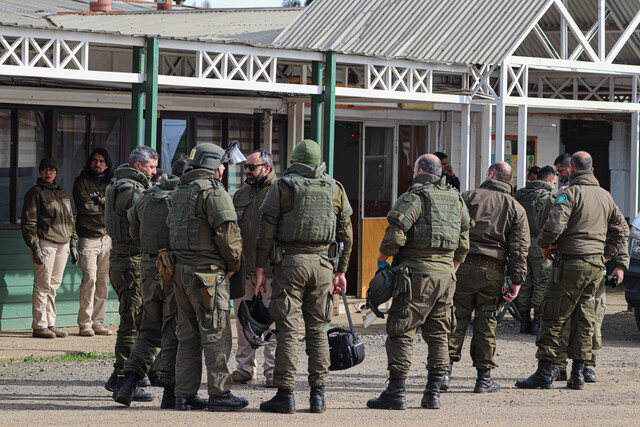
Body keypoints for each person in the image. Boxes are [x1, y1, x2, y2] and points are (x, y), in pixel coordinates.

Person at [515, 151, 628, 390]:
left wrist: (545, 245)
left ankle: (546, 371)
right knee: (585, 319)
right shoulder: (605, 196)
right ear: (592, 169)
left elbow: (554, 224)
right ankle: (578, 373)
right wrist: (606, 255)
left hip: (571, 263)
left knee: (554, 315)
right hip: (596, 267)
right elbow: (621, 229)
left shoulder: (569, 193)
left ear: (572, 170)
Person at [255, 139, 353, 414]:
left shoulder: (283, 186)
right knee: (317, 330)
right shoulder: (335, 187)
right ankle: (317, 396)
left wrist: (260, 270)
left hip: (290, 263)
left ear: (295, 159)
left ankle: (285, 395)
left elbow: (266, 234)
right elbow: (347, 235)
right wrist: (341, 271)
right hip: (323, 266)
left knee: (287, 329)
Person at [366, 154, 471, 411]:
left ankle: (396, 392)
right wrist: (451, 268)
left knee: (401, 330)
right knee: (439, 334)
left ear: (420, 170)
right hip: (446, 277)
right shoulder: (456, 198)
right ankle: (432, 394)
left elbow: (395, 235)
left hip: (417, 276)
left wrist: (382, 260)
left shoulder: (415, 196)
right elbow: (465, 240)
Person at [168, 143, 248, 412]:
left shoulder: (179, 190)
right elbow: (228, 234)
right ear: (214, 165)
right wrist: (234, 263)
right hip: (208, 277)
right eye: (223, 163)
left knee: (188, 336)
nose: (225, 168)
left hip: (180, 273)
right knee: (216, 334)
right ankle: (220, 393)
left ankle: (184, 395)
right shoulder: (213, 191)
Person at [447, 161, 529, 393]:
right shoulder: (516, 207)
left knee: (456, 319)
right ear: (508, 180)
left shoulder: (468, 196)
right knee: (486, 324)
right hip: (493, 272)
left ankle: (443, 373)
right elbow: (519, 248)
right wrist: (517, 281)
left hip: (461, 267)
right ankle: (483, 379)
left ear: (491, 175)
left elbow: (452, 228)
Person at [114, 175, 181, 408]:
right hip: (172, 269)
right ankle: (170, 394)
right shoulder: (181, 199)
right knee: (172, 331)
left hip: (147, 267)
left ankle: (128, 382)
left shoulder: (145, 198)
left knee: (148, 329)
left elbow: (134, 231)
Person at [103, 146, 157, 398]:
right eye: (151, 167)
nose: (155, 171)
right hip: (130, 261)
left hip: (125, 259)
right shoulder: (130, 190)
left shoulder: (119, 184)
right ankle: (123, 377)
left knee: (135, 317)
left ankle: (123, 373)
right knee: (132, 321)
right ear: (139, 167)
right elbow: (147, 218)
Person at [231, 149, 277, 387]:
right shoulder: (240, 195)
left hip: (270, 272)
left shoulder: (280, 192)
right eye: (245, 167)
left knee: (271, 322)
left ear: (266, 168)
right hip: (243, 271)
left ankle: (272, 371)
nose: (247, 171)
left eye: (252, 167)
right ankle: (245, 368)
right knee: (242, 321)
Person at [21, 158, 78, 339]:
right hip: (45, 243)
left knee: (53, 286)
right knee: (42, 285)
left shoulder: (62, 193)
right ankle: (39, 325)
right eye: (45, 169)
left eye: (52, 169)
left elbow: (70, 220)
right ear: (40, 171)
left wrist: (73, 244)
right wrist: (34, 246)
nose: (48, 172)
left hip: (63, 244)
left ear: (56, 172)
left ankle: (50, 323)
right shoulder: (35, 193)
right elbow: (29, 223)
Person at [73, 148, 114, 337]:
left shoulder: (111, 182)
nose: (98, 164)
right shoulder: (81, 181)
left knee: (103, 282)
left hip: (107, 237)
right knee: (90, 279)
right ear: (90, 162)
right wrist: (104, 205)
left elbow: (115, 206)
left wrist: (101, 201)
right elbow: (86, 207)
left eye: (102, 161)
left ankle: (98, 322)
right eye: (95, 160)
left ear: (107, 164)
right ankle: (85, 323)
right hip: (88, 237)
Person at [514, 166, 556, 335]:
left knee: (524, 282)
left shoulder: (519, 194)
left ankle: (524, 322)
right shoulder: (549, 197)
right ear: (547, 180)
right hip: (540, 244)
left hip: (521, 244)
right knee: (541, 282)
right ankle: (537, 322)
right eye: (553, 182)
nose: (554, 185)